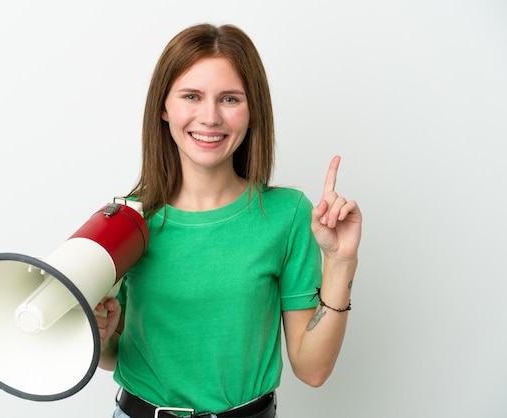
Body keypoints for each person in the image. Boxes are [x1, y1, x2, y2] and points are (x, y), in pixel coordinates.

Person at [94, 23, 362, 418]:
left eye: (230, 99)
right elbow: (115, 355)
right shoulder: (127, 220)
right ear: (163, 109)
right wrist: (98, 340)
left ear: (253, 111)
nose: (210, 117)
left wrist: (340, 263)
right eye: (191, 96)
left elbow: (313, 369)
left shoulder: (287, 216)